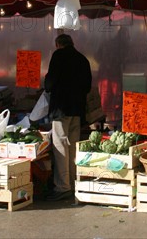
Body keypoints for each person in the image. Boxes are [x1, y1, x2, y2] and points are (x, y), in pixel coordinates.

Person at [44, 34, 92, 201]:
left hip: (61, 109)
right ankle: (72, 182)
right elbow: (88, 86)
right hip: (77, 110)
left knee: (60, 146)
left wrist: (47, 83)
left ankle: (62, 187)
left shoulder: (58, 56)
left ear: (58, 44)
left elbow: (49, 83)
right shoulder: (82, 59)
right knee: (71, 147)